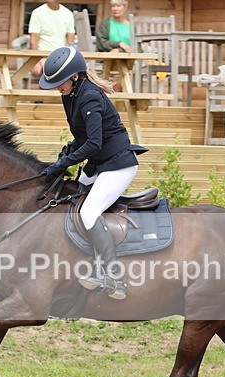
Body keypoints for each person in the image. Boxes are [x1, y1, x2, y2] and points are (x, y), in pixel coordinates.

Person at [39, 47, 146, 300]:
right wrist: (67, 154)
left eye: (58, 83)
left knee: (88, 211)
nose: (56, 88)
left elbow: (94, 143)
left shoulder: (89, 96)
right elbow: (82, 138)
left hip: (118, 165)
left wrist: (64, 163)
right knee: (70, 200)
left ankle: (113, 276)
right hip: (99, 163)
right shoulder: (70, 95)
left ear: (74, 76)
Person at [29, 1, 76, 77]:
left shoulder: (68, 14)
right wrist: (35, 61)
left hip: (62, 56)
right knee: (52, 72)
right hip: (42, 56)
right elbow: (34, 39)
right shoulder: (38, 12)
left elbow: (71, 41)